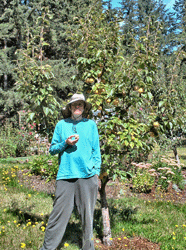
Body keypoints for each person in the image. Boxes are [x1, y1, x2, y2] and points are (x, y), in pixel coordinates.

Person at [40, 93, 101, 250]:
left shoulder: (91, 125)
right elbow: (52, 150)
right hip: (66, 176)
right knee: (57, 216)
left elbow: (96, 151)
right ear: (70, 107)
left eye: (80, 104)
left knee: (87, 217)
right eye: (75, 104)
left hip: (87, 176)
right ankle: (47, 248)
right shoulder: (61, 125)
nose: (77, 107)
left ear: (84, 108)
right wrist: (65, 143)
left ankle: (88, 248)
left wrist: (97, 173)